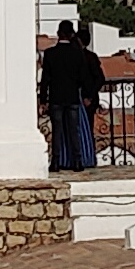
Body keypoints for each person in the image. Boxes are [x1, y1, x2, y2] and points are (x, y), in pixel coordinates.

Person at [37, 18, 104, 172]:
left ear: (58, 34)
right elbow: (83, 78)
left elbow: (45, 79)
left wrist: (43, 100)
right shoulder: (77, 54)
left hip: (56, 97)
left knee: (58, 131)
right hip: (73, 97)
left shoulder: (50, 54)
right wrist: (87, 95)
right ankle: (77, 161)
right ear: (71, 34)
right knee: (75, 130)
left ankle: (56, 162)